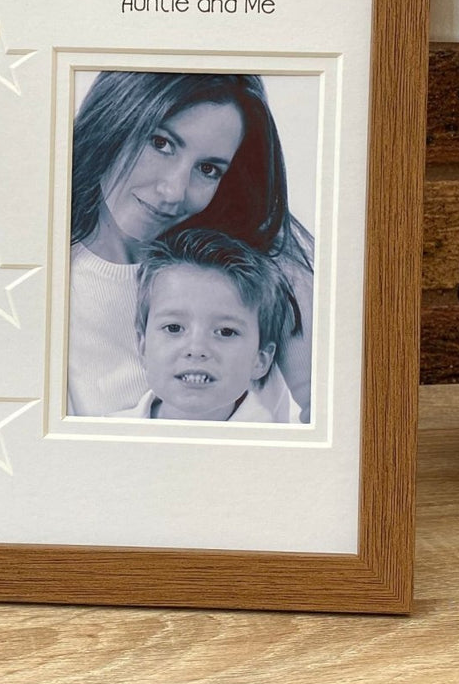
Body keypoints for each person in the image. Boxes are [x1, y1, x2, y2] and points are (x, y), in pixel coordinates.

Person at [68, 70, 314, 421]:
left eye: (209, 169)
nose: (174, 191)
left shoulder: (262, 257)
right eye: (161, 143)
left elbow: (334, 411)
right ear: (114, 119)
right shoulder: (42, 271)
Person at [117, 229, 302, 422]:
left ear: (261, 359)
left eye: (226, 332)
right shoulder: (105, 435)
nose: (196, 350)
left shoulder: (277, 447)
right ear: (143, 346)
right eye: (174, 328)